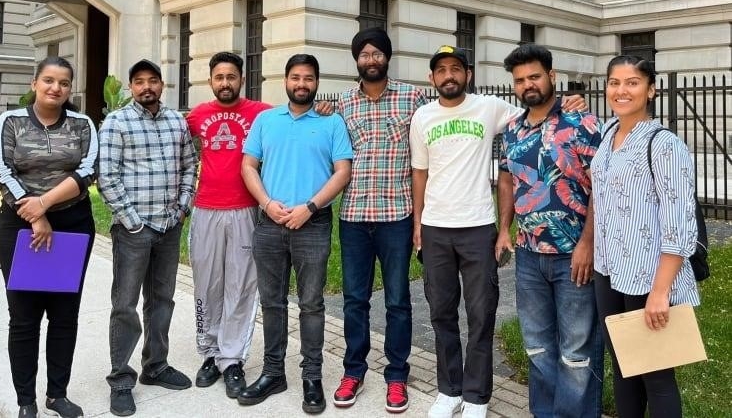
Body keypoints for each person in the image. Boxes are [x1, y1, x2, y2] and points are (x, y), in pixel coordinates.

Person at [411, 45, 589, 418]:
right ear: (432, 78)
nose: (449, 75)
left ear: (468, 75)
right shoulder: (422, 117)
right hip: (435, 228)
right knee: (441, 312)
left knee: (480, 313)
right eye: (441, 70)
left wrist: (573, 101)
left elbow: (536, 110)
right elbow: (420, 174)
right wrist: (418, 225)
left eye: (456, 68)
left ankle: (477, 395)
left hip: (477, 227)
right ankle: (449, 389)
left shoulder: (491, 108)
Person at [239, 54, 353, 414]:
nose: (301, 84)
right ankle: (273, 373)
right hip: (270, 222)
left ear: (316, 82)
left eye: (308, 78)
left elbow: (342, 171)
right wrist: (267, 203)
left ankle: (312, 377)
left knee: (311, 304)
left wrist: (310, 207)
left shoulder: (331, 122)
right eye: (295, 77)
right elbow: (248, 165)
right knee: (272, 303)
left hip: (313, 224)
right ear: (285, 80)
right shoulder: (266, 120)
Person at [497, 43, 604, 418]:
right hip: (528, 257)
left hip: (574, 256)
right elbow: (507, 181)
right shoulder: (511, 130)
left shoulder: (585, 124)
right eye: (520, 80)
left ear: (552, 77)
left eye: (535, 76)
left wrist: (587, 244)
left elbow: (600, 188)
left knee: (576, 352)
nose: (528, 85)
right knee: (537, 347)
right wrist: (503, 230)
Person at [0, 56, 97, 418]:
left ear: (69, 89)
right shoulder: (11, 122)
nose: (56, 88)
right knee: (24, 316)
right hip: (20, 228)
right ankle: (26, 401)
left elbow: (88, 169)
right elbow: (0, 169)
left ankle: (57, 394)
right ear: (34, 83)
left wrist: (45, 206)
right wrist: (34, 217)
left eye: (64, 83)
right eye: (49, 80)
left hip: (71, 224)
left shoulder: (82, 124)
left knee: (64, 314)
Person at [590, 55, 700, 418]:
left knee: (655, 374)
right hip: (608, 271)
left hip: (647, 276)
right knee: (624, 366)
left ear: (651, 90)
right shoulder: (608, 133)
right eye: (614, 82)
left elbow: (679, 222)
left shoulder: (664, 144)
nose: (621, 90)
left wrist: (660, 291)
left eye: (632, 82)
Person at [333, 27, 427, 414]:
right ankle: (353, 371)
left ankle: (397, 375)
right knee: (354, 300)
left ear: (387, 57)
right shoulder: (342, 104)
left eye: (377, 53)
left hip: (397, 217)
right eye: (364, 54)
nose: (371, 59)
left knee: (397, 300)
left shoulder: (413, 97)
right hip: (354, 216)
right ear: (356, 59)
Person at [98, 59, 198, 417]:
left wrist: (183, 208)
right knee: (125, 305)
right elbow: (106, 176)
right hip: (133, 230)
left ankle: (156, 365)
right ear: (130, 87)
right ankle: (121, 379)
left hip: (170, 226)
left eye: (152, 81)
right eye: (139, 81)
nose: (146, 87)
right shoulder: (116, 122)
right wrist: (133, 222)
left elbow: (190, 166)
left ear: (162, 84)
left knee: (162, 300)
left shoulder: (176, 122)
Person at [185, 52, 271, 398]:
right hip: (205, 209)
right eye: (219, 77)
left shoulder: (262, 114)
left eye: (231, 77)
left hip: (245, 210)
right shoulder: (198, 116)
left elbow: (298, 114)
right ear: (211, 81)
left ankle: (232, 358)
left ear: (241, 80)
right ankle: (210, 352)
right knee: (207, 284)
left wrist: (325, 109)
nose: (225, 83)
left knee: (241, 286)